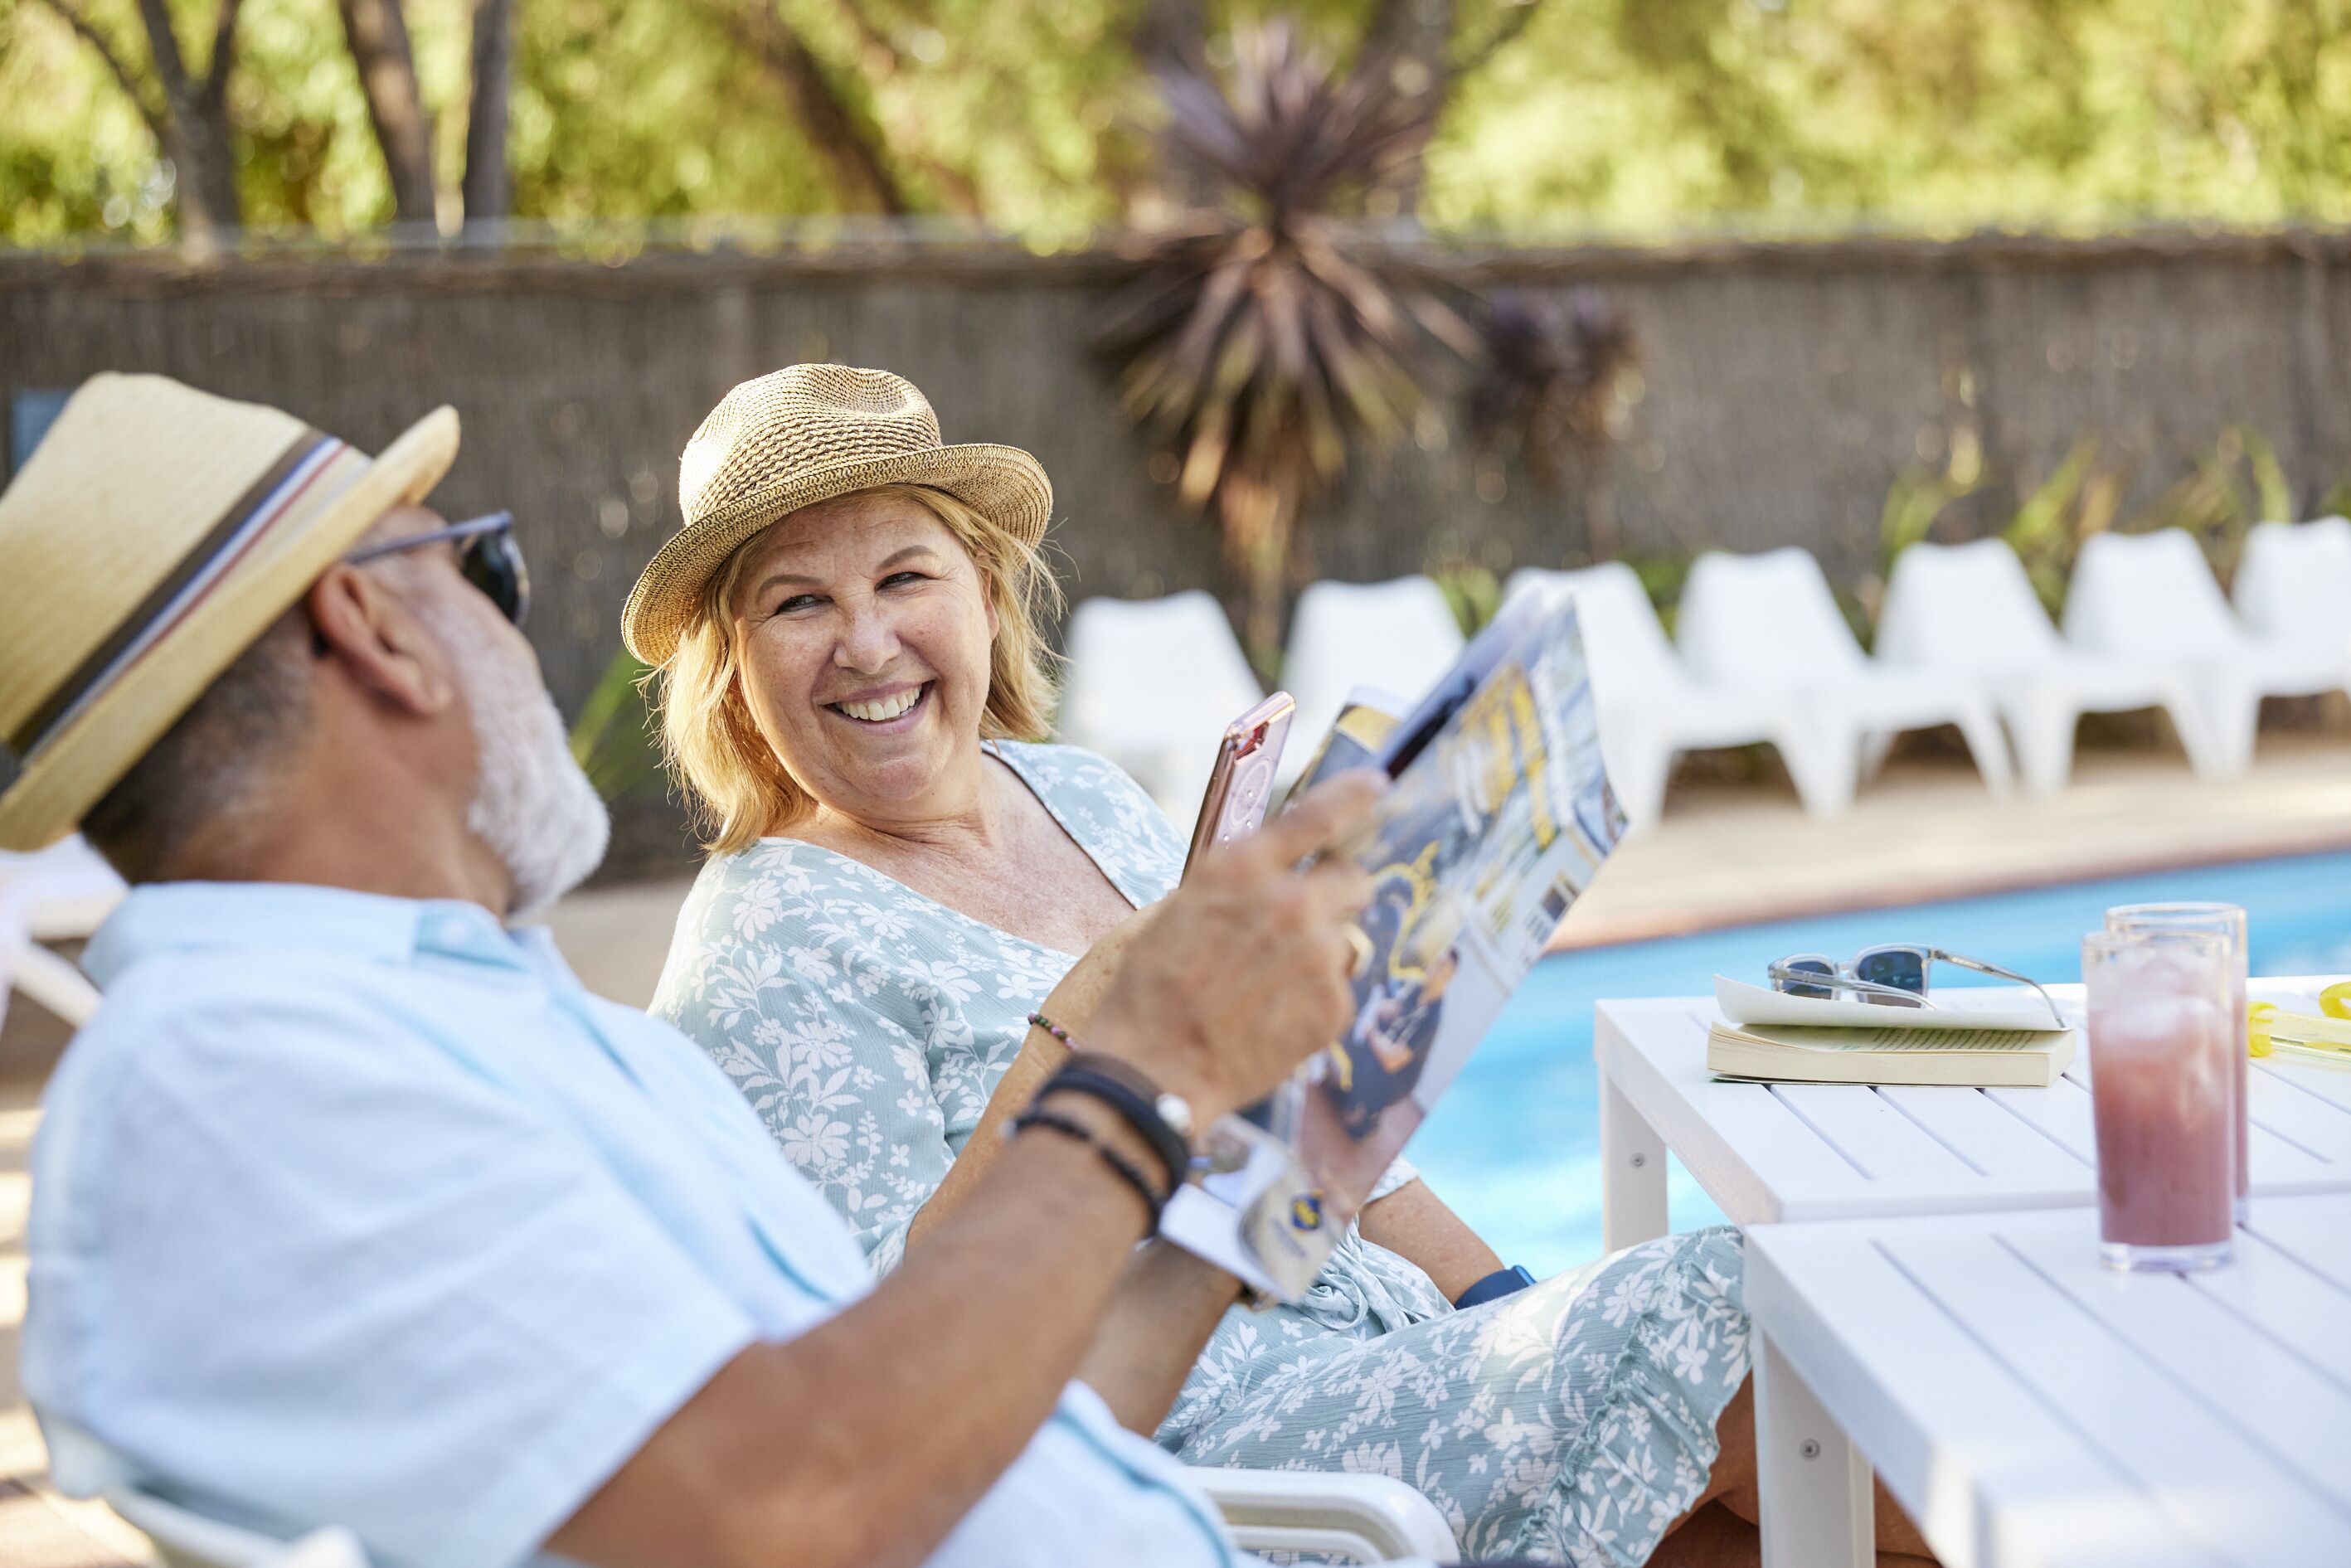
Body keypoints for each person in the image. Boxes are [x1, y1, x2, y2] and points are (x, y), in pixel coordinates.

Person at [0, 372, 1421, 1568]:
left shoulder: (446, 1021)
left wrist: (1249, 1171)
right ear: (372, 629)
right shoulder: (252, 1078)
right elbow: (797, 1508)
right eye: (480, 564)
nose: (515, 628)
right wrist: (1133, 1062)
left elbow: (952, 1443)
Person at [632, 365, 1814, 1565]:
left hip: (1381, 1354)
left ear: (984, 594)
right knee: (1742, 1317)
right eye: (798, 604)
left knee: (1759, 1480)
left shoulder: (1081, 794)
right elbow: (884, 1370)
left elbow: (1319, 1123)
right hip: (1190, 1452)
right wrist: (1080, 1038)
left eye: (903, 577)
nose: (867, 643)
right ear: (733, 664)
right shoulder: (763, 947)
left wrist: (1500, 1300)